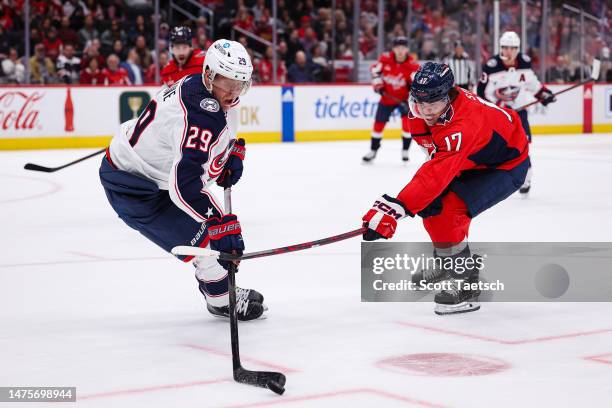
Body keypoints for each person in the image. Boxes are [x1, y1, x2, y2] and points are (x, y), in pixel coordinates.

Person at [99, 40, 266, 321]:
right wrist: (219, 223)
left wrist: (224, 156)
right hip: (134, 187)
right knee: (207, 243)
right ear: (210, 74)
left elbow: (191, 145)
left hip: (149, 172)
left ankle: (220, 289)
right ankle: (222, 300)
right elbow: (185, 187)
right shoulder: (202, 115)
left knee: (210, 234)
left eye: (240, 83)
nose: (234, 91)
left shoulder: (197, 84)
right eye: (228, 82)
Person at [362, 62, 530, 315]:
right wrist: (412, 202)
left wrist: (397, 207)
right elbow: (435, 161)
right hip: (470, 159)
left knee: (449, 211)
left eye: (434, 104)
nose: (427, 110)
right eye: (421, 103)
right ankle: (448, 262)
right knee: (432, 208)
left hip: (505, 164)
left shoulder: (464, 123)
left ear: (449, 96)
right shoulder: (418, 110)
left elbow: (439, 168)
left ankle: (467, 284)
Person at [477, 31, 555, 194]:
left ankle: (526, 177)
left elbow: (534, 85)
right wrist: (499, 107)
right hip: (498, 115)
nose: (509, 52)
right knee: (499, 146)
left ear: (517, 49)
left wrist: (544, 94)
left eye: (512, 48)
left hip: (519, 114)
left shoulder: (524, 64)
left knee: (523, 144)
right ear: (500, 48)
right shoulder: (491, 66)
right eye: (505, 48)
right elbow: (482, 93)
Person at [363, 36, 420, 163]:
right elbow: (375, 71)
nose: (400, 50)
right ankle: (373, 150)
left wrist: (412, 95)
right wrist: (378, 84)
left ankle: (405, 150)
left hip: (404, 101)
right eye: (397, 47)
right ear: (393, 49)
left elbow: (417, 84)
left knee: (407, 127)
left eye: (403, 48)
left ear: (407, 49)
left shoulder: (412, 66)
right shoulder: (385, 60)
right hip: (386, 99)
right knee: (378, 124)